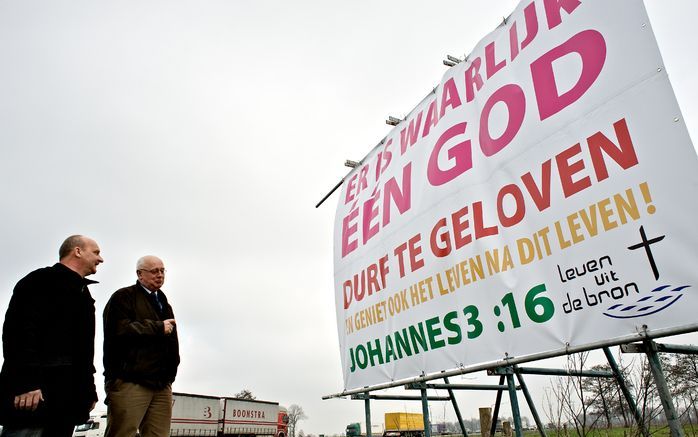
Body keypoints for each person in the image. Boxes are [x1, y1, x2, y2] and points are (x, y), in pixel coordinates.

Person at [0, 235, 104, 437]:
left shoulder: (83, 294)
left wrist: (88, 390)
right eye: (96, 252)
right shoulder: (39, 281)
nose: (101, 259)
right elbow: (18, 333)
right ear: (77, 251)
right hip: (35, 398)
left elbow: (83, 350)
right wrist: (27, 383)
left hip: (67, 399)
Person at [102, 255, 179, 437]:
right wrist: (157, 327)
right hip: (131, 381)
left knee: (158, 434)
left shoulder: (163, 302)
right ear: (139, 274)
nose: (159, 275)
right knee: (122, 433)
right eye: (154, 271)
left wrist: (171, 372)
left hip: (161, 383)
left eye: (162, 270)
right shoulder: (123, 297)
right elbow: (118, 330)